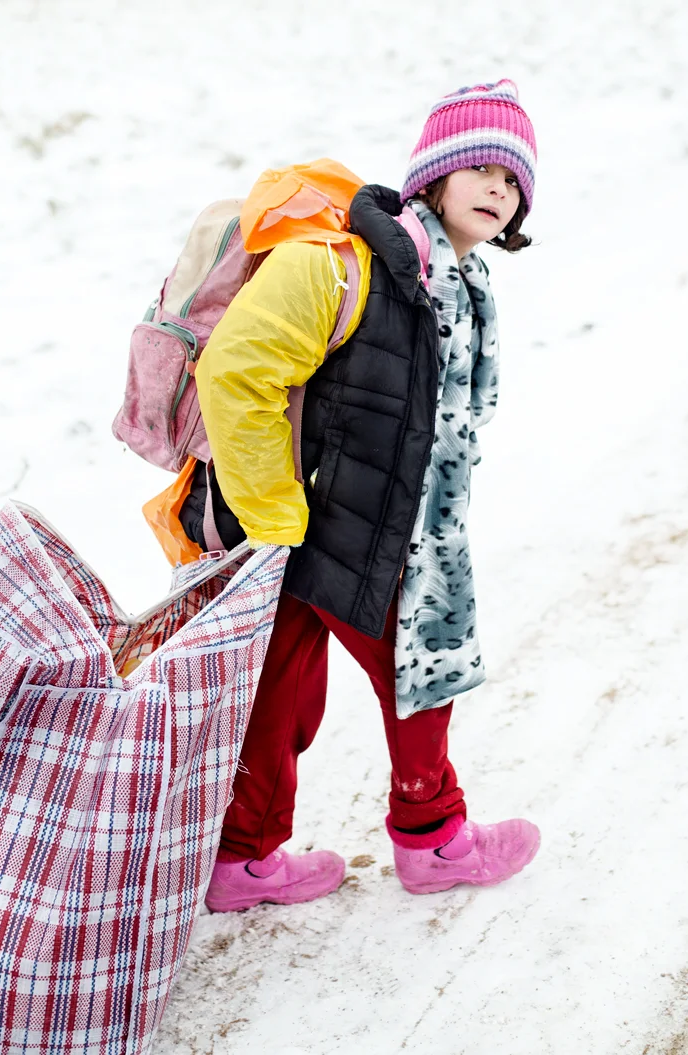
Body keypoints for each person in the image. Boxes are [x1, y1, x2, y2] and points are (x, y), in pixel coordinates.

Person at [186, 81, 542, 912]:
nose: (499, 190)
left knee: (280, 688)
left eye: (514, 180)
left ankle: (242, 861)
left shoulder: (462, 281)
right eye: (480, 168)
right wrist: (276, 515)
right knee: (418, 672)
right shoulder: (339, 263)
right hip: (325, 518)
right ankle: (434, 838)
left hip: (359, 519)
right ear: (433, 176)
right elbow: (233, 373)